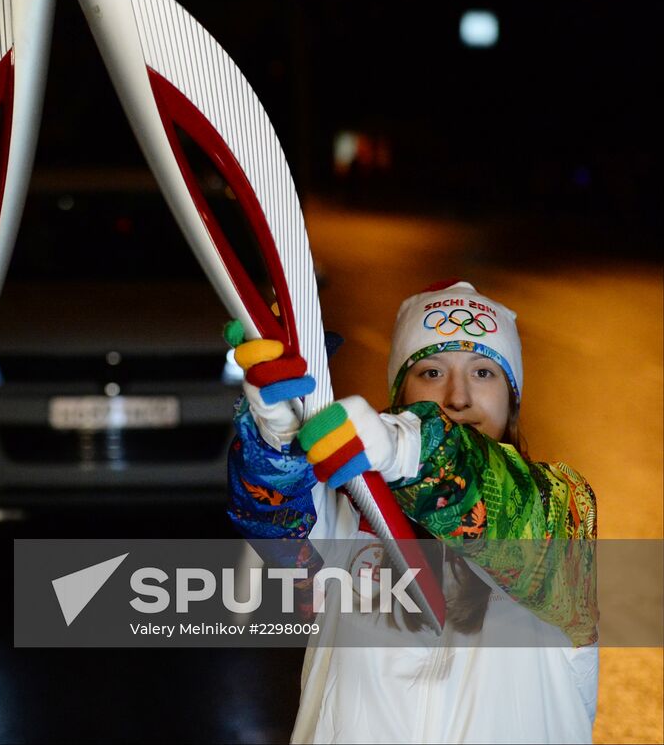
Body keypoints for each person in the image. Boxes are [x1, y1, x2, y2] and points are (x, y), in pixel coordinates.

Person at [226, 280, 598, 744]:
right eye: (432, 372)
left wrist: (409, 445)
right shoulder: (346, 514)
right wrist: (276, 432)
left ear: (512, 398)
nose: (458, 397)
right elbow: (272, 518)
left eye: (484, 372)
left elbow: (498, 501)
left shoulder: (561, 510)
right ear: (400, 395)